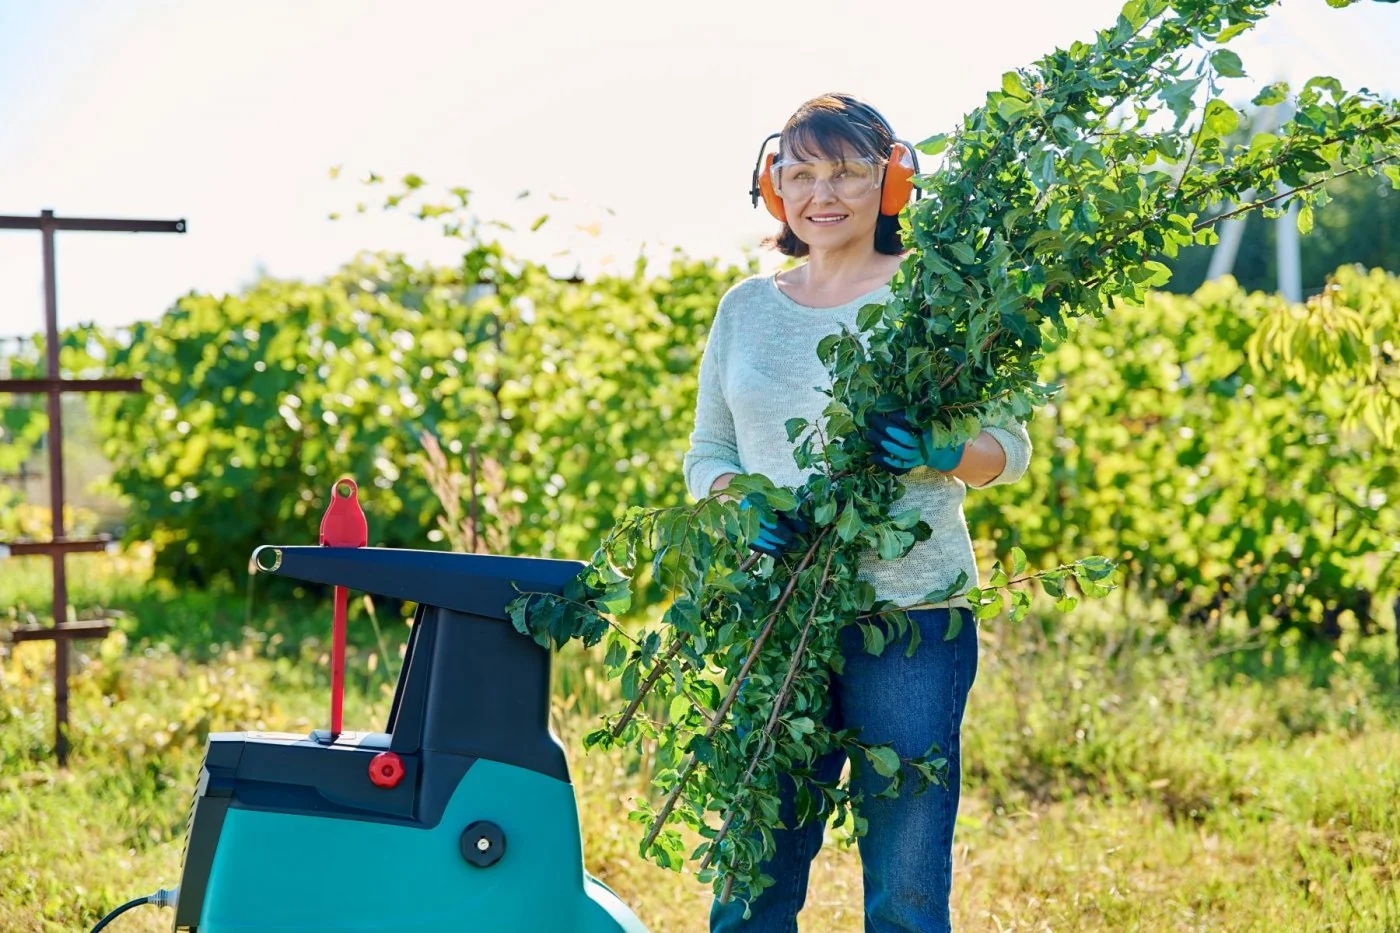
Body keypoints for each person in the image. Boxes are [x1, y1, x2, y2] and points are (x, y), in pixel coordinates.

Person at [681, 93, 1033, 933]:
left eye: (846, 169)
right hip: (776, 613)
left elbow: (1008, 448)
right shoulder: (746, 308)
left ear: (893, 179)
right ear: (776, 190)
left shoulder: (936, 302)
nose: (822, 192)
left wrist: (940, 450)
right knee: (752, 870)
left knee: (905, 883)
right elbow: (707, 456)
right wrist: (742, 506)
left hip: (911, 622)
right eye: (800, 173)